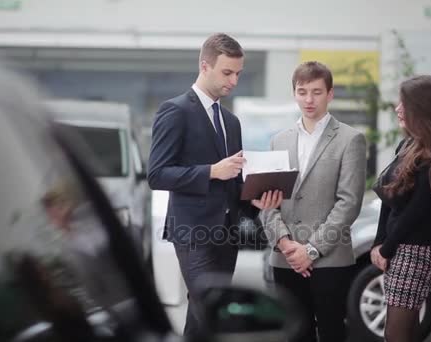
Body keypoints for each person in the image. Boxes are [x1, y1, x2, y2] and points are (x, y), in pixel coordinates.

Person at [147, 33, 278, 336]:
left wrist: (253, 199)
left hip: (227, 234)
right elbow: (157, 174)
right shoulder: (175, 111)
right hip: (192, 231)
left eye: (238, 74)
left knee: (204, 314)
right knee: (210, 305)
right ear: (205, 66)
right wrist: (210, 172)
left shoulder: (231, 122)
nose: (233, 81)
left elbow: (232, 180)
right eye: (227, 73)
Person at [260, 61, 367, 342]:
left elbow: (349, 203)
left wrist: (312, 249)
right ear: (294, 93)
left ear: (330, 94)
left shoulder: (350, 139)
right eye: (302, 91)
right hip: (285, 259)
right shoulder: (278, 141)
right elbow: (267, 201)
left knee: (332, 332)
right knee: (293, 333)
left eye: (317, 92)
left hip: (330, 259)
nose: (309, 99)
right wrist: (285, 243)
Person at [370, 75, 431, 342]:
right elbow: (390, 196)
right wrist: (379, 242)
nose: (398, 108)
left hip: (417, 250)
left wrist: (387, 249)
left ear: (422, 108)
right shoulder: (407, 145)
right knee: (402, 332)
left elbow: (416, 212)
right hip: (401, 247)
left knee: (396, 334)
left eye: (404, 103)